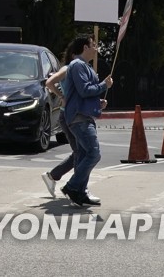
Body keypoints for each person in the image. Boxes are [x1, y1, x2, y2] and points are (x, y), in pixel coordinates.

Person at [60, 35, 113, 207]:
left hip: (83, 115)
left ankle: (80, 193)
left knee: (83, 155)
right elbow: (84, 90)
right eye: (94, 45)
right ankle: (72, 186)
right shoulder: (77, 66)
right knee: (93, 153)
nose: (96, 48)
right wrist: (104, 85)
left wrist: (98, 103)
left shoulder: (84, 66)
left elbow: (82, 93)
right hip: (79, 117)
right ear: (85, 47)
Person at [40, 36, 92, 198]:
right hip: (67, 115)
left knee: (80, 152)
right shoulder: (69, 68)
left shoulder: (79, 69)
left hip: (73, 115)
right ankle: (77, 189)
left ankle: (56, 177)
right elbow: (50, 82)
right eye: (93, 46)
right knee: (82, 152)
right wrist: (62, 96)